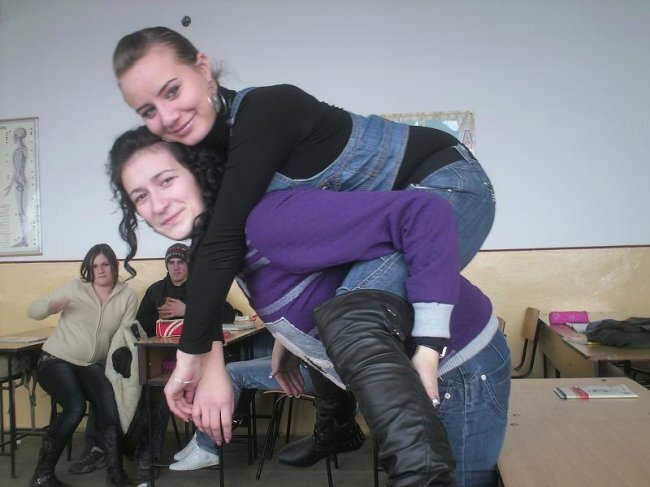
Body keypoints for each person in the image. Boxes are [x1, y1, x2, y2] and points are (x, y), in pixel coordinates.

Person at [111, 27, 496, 464]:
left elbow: (219, 243)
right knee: (339, 314)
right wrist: (281, 343)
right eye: (148, 110)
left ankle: (405, 463)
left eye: (172, 90)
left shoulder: (265, 110)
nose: (167, 116)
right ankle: (338, 424)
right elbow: (218, 247)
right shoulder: (219, 161)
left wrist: (190, 359)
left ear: (203, 68)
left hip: (448, 185)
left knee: (352, 317)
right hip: (403, 217)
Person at [26, 243, 137, 487]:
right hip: (55, 359)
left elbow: (125, 332)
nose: (100, 270)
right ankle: (42, 475)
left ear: (114, 265)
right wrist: (48, 307)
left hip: (89, 364)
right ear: (89, 269)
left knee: (109, 405)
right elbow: (33, 310)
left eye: (105, 264)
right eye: (95, 266)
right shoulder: (75, 288)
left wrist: (121, 355)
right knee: (75, 407)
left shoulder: (127, 296)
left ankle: (115, 473)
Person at [170, 355, 315, 471]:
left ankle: (206, 448)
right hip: (310, 362)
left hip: (316, 372)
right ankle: (200, 439)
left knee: (232, 372)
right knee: (236, 366)